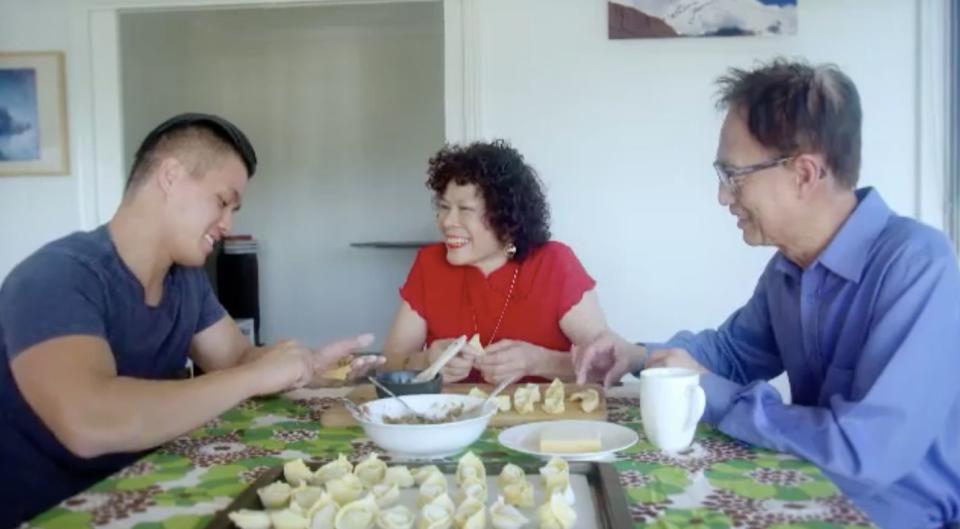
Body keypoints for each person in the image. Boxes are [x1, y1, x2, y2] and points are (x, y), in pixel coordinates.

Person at [574, 59, 960, 529]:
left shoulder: (918, 265)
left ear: (804, 174)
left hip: (893, 513)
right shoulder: (788, 269)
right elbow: (730, 353)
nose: (723, 196)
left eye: (733, 175)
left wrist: (706, 392)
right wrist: (635, 353)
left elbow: (867, 454)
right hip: (801, 488)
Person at [0, 113, 381, 527]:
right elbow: (89, 421)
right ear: (170, 175)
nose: (227, 223)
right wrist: (257, 376)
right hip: (50, 511)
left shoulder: (185, 281)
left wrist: (309, 365)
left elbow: (236, 360)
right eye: (222, 201)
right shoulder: (56, 276)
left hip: (143, 492)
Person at [383, 140, 610, 384]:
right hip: (454, 418)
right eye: (445, 207)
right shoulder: (429, 263)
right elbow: (389, 363)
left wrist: (538, 361)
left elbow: (605, 365)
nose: (447, 221)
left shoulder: (554, 263)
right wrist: (427, 361)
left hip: (541, 420)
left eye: (465, 210)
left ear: (506, 217)